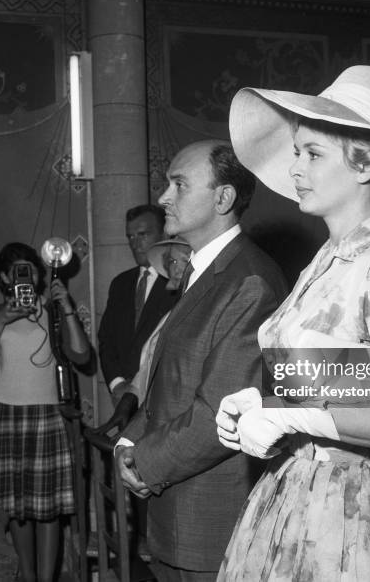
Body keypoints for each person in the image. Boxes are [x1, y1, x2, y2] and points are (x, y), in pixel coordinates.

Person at [216, 66, 370, 580]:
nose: (295, 167)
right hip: (296, 492)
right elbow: (353, 379)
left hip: (356, 507)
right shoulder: (325, 263)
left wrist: (293, 417)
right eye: (296, 151)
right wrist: (266, 399)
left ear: (366, 164)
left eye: (313, 153)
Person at [116, 140, 288, 581]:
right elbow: (168, 380)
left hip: (212, 525)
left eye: (178, 184)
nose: (162, 198)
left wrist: (144, 463)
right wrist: (130, 440)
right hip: (177, 516)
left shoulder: (248, 279)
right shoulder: (204, 272)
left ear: (223, 198)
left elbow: (219, 413)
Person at [0, 242, 89, 582]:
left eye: (31, 268)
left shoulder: (51, 310)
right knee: (17, 510)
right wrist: (1, 321)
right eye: (18, 270)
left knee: (48, 510)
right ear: (6, 277)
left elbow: (81, 356)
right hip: (3, 416)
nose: (27, 275)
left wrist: (65, 305)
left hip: (47, 417)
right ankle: (29, 574)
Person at [96, 238, 192, 433]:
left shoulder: (248, 283)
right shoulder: (175, 312)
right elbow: (149, 361)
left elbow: (272, 349)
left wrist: (273, 406)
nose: (175, 269)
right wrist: (128, 401)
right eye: (171, 262)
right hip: (167, 422)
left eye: (183, 260)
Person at [97, 204, 177, 399]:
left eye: (142, 235)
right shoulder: (120, 283)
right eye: (130, 237)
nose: (135, 243)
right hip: (123, 398)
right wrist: (117, 384)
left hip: (163, 394)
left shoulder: (179, 281)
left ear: (164, 234)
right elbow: (106, 340)